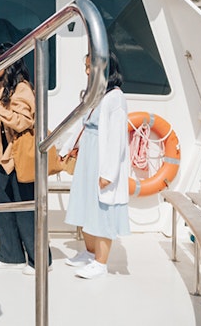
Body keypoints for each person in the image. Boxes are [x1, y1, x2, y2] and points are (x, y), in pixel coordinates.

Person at [63, 51, 131, 280]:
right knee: (85, 206)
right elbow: (83, 126)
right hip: (88, 156)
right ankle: (90, 253)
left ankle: (100, 263)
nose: (86, 71)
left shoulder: (115, 98)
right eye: (86, 66)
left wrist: (108, 174)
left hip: (102, 159)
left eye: (89, 66)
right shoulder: (96, 94)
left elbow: (117, 139)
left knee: (102, 211)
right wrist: (66, 150)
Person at [0, 43, 40, 275]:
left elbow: (22, 122)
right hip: (7, 159)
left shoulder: (22, 89)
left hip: (20, 159)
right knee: (5, 209)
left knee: (25, 210)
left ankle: (39, 260)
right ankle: (10, 255)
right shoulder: (6, 88)